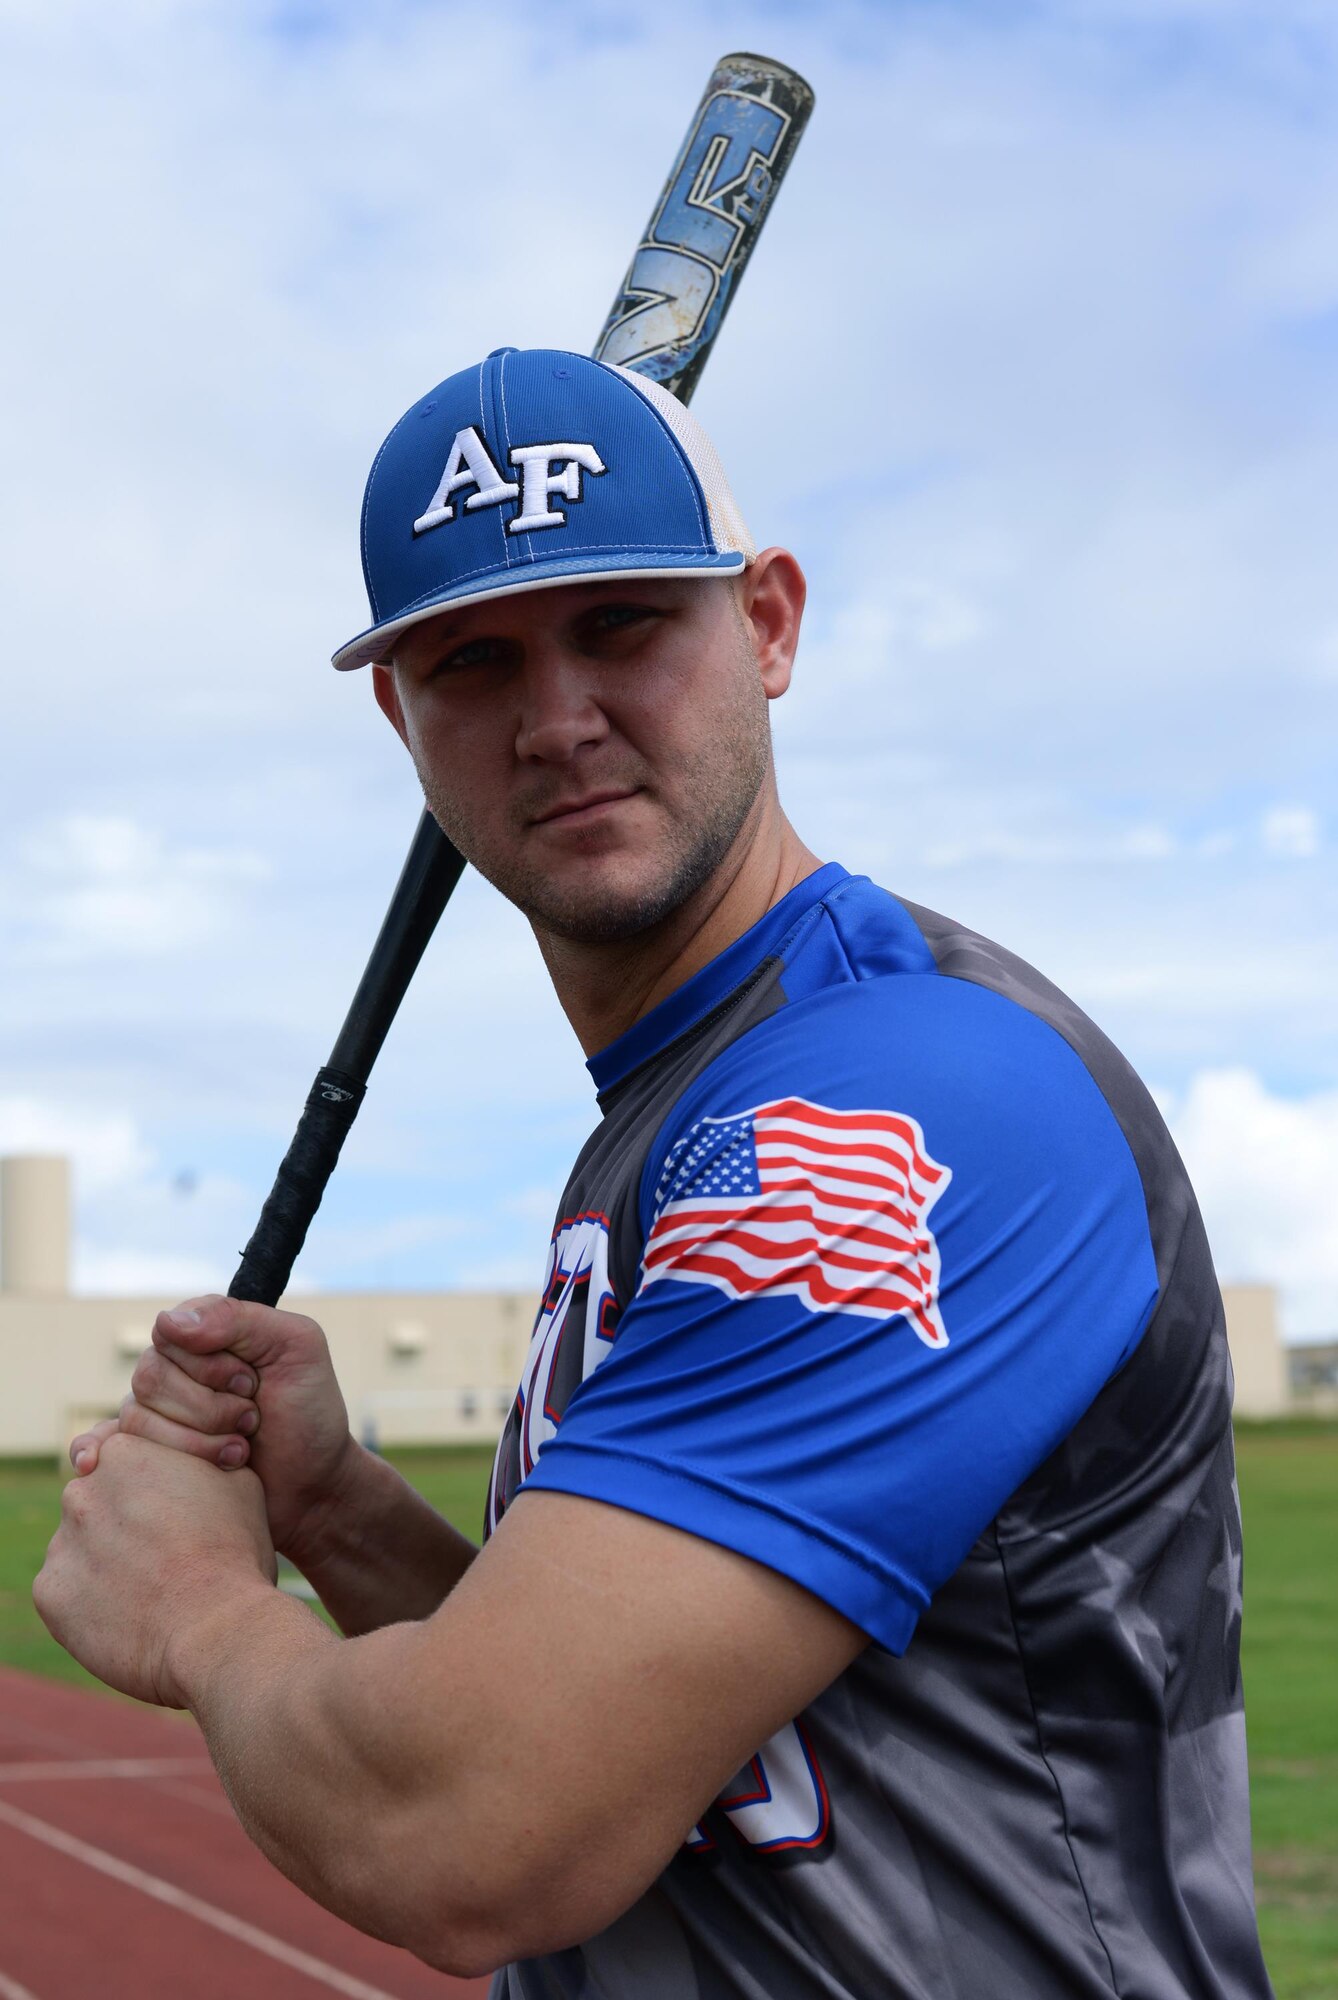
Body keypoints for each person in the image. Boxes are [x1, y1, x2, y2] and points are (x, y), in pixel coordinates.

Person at [37, 348, 1274, 1999]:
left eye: (620, 626)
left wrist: (198, 1608)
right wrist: (336, 1512)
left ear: (766, 627)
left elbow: (473, 1833)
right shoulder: (686, 1107)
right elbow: (656, 1729)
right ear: (403, 716)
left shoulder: (882, 1111)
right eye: (476, 661)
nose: (558, 721)